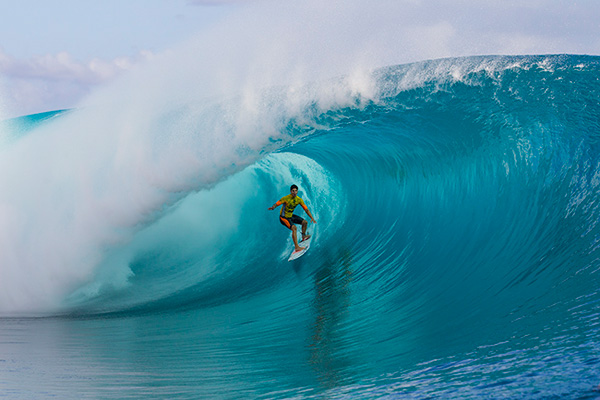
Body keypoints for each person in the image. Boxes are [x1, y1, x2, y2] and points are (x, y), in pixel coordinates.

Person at [268, 184, 317, 252]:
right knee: (294, 228)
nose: (294, 192)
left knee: (305, 222)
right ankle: (297, 247)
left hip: (291, 216)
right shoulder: (286, 198)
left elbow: (306, 209)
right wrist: (273, 207)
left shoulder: (299, 200)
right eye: (293, 191)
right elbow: (277, 203)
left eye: (296, 191)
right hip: (283, 218)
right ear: (291, 191)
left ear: (297, 191)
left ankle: (303, 236)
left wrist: (312, 218)